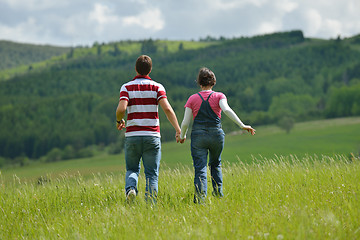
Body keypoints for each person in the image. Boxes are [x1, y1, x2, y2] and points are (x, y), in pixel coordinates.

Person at [178, 67, 255, 203]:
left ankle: (201, 200)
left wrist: (182, 136)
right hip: (216, 135)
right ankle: (218, 195)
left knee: (200, 168)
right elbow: (226, 110)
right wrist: (242, 125)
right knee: (215, 164)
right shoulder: (219, 96)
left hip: (198, 136)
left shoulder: (192, 99)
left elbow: (185, 122)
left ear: (199, 83)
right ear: (213, 82)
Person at [116, 55, 181, 203]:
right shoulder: (157, 87)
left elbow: (121, 108)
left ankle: (131, 189)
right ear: (150, 70)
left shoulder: (126, 87)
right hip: (152, 136)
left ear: (135, 69)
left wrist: (119, 120)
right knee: (152, 174)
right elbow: (168, 110)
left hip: (132, 136)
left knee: (132, 169)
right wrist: (177, 129)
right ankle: (150, 205)